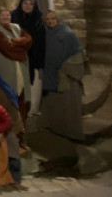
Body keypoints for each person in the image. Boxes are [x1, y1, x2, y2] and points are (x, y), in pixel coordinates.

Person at [39, 11, 85, 142]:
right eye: (47, 19)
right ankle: (56, 128)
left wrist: (65, 68)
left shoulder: (67, 33)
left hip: (65, 76)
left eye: (53, 18)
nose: (50, 21)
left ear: (57, 19)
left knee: (69, 106)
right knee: (54, 105)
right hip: (50, 74)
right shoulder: (45, 33)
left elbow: (78, 53)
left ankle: (72, 133)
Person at [0, 9, 32, 129]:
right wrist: (23, 50)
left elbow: (29, 40)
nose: (5, 17)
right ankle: (10, 134)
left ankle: (22, 133)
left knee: (23, 100)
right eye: (2, 15)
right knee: (8, 101)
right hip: (6, 70)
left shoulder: (17, 27)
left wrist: (18, 40)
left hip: (21, 70)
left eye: (7, 14)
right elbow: (7, 48)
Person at [11, 0, 46, 116]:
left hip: (35, 58)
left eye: (30, 4)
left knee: (35, 85)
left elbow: (42, 40)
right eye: (25, 3)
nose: (27, 6)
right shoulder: (14, 17)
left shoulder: (39, 19)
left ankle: (33, 109)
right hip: (19, 57)